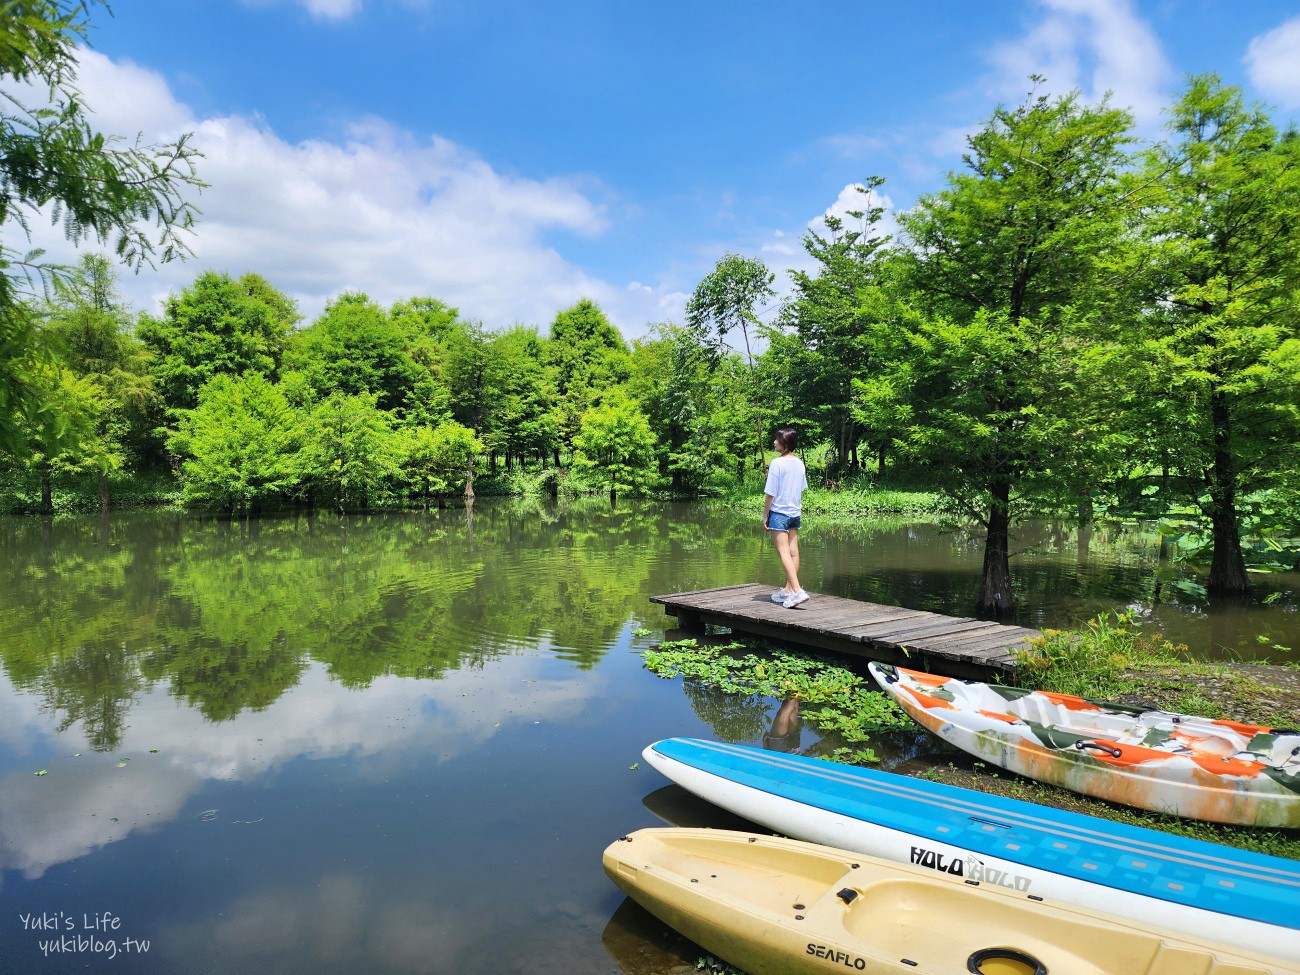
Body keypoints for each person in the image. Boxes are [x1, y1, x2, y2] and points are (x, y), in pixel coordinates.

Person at [762, 427, 809, 608]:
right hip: (795, 513)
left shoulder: (777, 463)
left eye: (777, 440)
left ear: (785, 443)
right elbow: (801, 488)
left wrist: (765, 515)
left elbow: (770, 493)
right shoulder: (799, 463)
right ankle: (788, 591)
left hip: (780, 513)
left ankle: (797, 591)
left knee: (783, 553)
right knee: (793, 552)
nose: (774, 442)